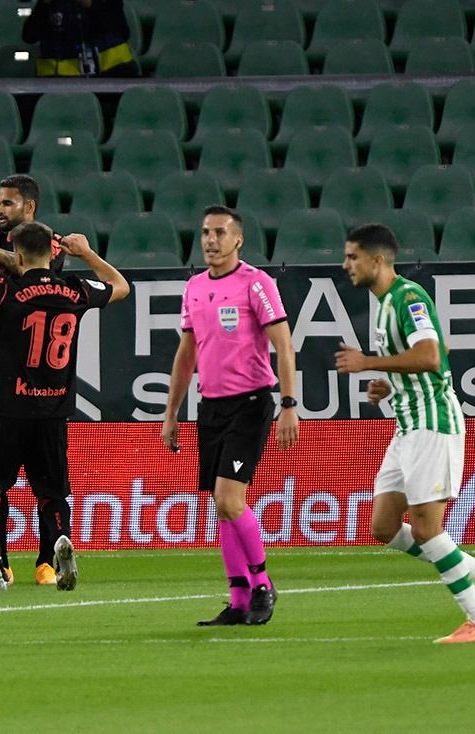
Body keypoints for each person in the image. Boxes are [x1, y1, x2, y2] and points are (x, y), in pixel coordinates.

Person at [336, 223, 475, 644]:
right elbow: (427, 357)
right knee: (383, 526)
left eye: (353, 257)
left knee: (428, 529)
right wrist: (390, 385)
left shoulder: (408, 297)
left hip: (432, 423)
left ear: (377, 260)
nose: (346, 265)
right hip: (407, 423)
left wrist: (371, 363)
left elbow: (431, 358)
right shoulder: (383, 305)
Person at [0, 224, 130, 592]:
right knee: (52, 493)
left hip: (8, 409)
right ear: (53, 255)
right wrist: (86, 253)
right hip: (53, 413)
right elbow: (120, 286)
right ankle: (59, 543)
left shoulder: (6, 290)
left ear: (18, 256)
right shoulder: (74, 290)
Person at [160, 205, 300, 627]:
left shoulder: (256, 284)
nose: (210, 240)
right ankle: (238, 601)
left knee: (228, 499)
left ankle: (262, 585)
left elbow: (284, 346)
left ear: (238, 239)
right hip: (212, 406)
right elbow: (187, 354)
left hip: (250, 403)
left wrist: (288, 405)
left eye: (220, 233)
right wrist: (171, 414)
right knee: (221, 507)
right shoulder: (195, 287)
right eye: (205, 232)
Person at [0, 173, 67, 586]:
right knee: (23, 481)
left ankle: (45, 561)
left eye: (7, 204)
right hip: (7, 377)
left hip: (26, 388)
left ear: (29, 207)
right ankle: (7, 562)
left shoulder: (49, 243)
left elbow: (31, 268)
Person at [22, 0, 140, 78]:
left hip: (113, 75)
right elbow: (29, 36)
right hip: (59, 83)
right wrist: (44, 5)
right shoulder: (49, 5)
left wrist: (90, 6)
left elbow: (120, 30)